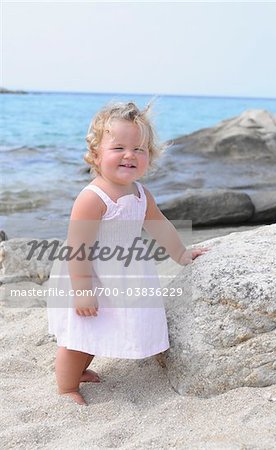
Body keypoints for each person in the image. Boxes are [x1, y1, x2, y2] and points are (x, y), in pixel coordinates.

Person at [47, 101, 209, 405]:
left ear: (150, 156)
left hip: (122, 275)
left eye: (140, 149)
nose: (129, 155)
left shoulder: (141, 194)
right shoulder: (92, 198)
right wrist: (82, 290)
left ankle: (81, 371)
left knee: (101, 326)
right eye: (118, 147)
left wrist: (181, 254)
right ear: (96, 155)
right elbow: (77, 247)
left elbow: (159, 226)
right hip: (89, 276)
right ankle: (67, 386)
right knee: (79, 335)